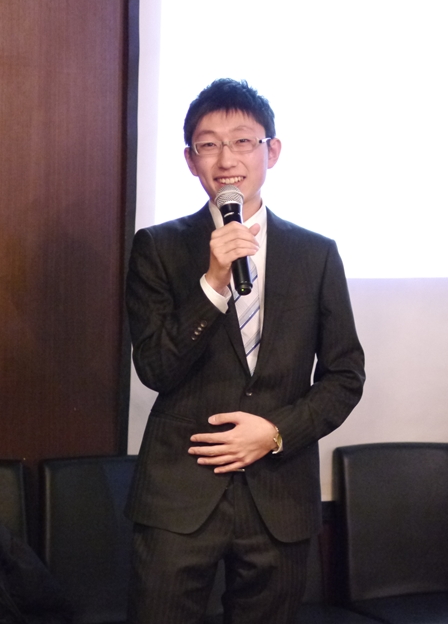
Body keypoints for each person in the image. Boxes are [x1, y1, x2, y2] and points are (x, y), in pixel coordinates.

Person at [125, 78, 365, 623]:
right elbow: (155, 368)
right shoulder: (158, 248)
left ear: (271, 151)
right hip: (179, 494)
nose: (226, 159)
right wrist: (212, 283)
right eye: (208, 144)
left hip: (280, 495)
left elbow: (345, 375)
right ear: (190, 160)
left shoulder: (316, 254)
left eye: (242, 141)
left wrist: (277, 432)